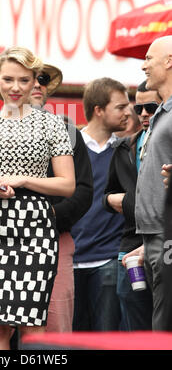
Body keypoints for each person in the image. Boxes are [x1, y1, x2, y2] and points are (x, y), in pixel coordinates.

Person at [0, 46, 75, 350]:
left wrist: (24, 180)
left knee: (34, 326)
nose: (15, 87)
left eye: (24, 80)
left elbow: (68, 185)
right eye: (8, 79)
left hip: (36, 227)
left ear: (35, 81)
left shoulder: (52, 125)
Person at [30, 64, 93, 332]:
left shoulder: (67, 130)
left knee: (56, 326)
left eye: (41, 79)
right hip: (3, 242)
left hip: (56, 237)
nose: (35, 84)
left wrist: (49, 216)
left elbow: (83, 190)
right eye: (27, 78)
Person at [71, 77, 130, 331]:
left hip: (109, 260)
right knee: (68, 341)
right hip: (67, 260)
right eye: (120, 107)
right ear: (98, 110)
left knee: (106, 339)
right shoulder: (68, 148)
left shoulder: (127, 150)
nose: (129, 112)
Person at [103, 80, 161, 330]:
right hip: (129, 248)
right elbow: (107, 195)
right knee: (134, 322)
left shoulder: (164, 143)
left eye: (151, 107)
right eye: (139, 109)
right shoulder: (125, 146)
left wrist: (126, 201)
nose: (144, 114)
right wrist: (110, 200)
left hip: (162, 244)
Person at [134, 35, 172, 330]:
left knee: (165, 321)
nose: (143, 65)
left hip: (165, 233)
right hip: (154, 234)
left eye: (149, 58)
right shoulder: (163, 109)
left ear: (169, 62)